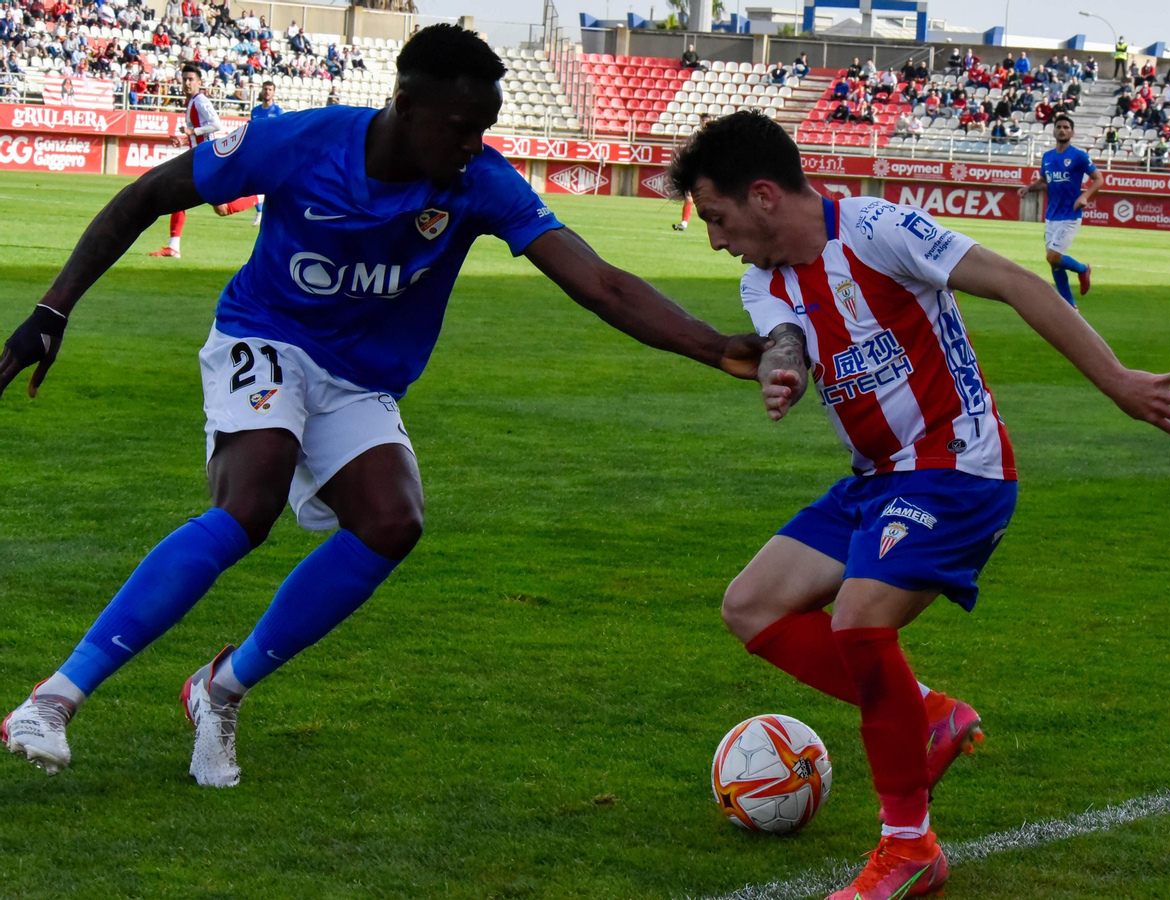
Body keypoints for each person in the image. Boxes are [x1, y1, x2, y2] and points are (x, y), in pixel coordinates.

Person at [0, 25, 765, 786]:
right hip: (265, 337)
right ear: (405, 105)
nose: (476, 144)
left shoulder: (479, 182)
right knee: (250, 505)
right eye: (463, 128)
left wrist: (713, 345)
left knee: (393, 522)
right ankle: (55, 698)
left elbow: (598, 283)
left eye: (485, 129)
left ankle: (219, 688)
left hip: (360, 377)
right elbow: (147, 194)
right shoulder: (300, 143)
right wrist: (52, 312)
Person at [668, 110, 1170, 900]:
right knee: (751, 605)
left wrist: (1117, 381)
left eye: (717, 218)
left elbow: (1018, 284)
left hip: (958, 468)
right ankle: (929, 714)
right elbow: (783, 337)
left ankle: (910, 846)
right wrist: (782, 369)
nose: (714, 238)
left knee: (858, 619)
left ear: (764, 195)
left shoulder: (880, 230)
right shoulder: (764, 276)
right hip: (877, 478)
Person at [148, 65, 242, 258]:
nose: (187, 83)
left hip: (206, 158)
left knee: (183, 196)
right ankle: (173, 246)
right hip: (199, 156)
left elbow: (216, 124)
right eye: (184, 79)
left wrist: (193, 132)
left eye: (191, 79)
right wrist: (183, 140)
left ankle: (259, 198)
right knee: (219, 208)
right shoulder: (191, 102)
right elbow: (197, 134)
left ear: (200, 82)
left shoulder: (200, 101)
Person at [1017, 115, 1101, 306]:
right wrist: (1028, 189)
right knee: (1054, 263)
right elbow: (1044, 181)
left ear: (1072, 132)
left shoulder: (1079, 156)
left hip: (1070, 214)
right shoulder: (1047, 157)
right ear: (1054, 131)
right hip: (1051, 215)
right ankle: (1070, 306)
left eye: (1066, 127)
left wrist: (1084, 196)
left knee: (1053, 256)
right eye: (1059, 127)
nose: (1062, 130)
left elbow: (1099, 179)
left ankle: (1082, 270)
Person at [247, 80, 283, 227]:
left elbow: (282, 133)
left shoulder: (278, 112)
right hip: (257, 153)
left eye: (270, 89)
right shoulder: (255, 111)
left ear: (273, 92)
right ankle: (260, 212)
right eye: (265, 89)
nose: (267, 91)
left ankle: (272, 216)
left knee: (271, 186)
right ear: (262, 91)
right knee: (254, 183)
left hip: (272, 154)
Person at [674, 113, 714, 232]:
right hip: (697, 171)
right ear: (700, 122)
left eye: (708, 121)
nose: (705, 123)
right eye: (704, 121)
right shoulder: (696, 137)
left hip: (709, 172)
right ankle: (684, 224)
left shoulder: (714, 137)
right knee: (688, 197)